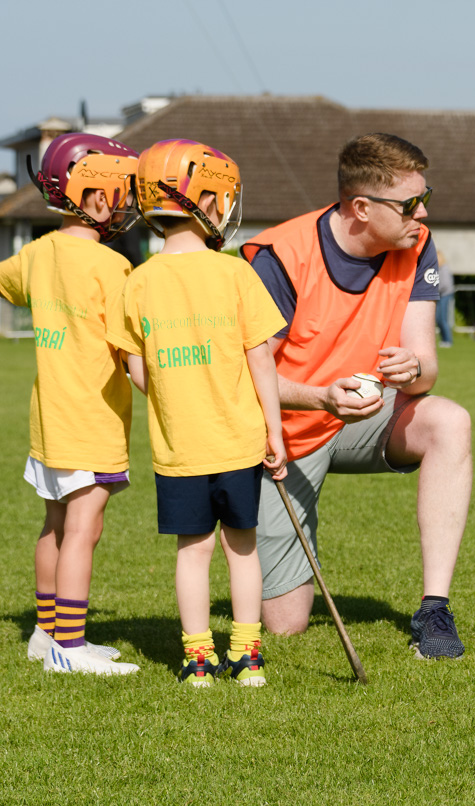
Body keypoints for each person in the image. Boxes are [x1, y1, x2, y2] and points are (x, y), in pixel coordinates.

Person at [241, 133, 472, 658]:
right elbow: (245, 378)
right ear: (361, 207)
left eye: (425, 198)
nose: (422, 213)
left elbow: (425, 371)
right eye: (410, 204)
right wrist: (321, 397)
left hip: (361, 419)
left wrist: (413, 367)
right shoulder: (281, 256)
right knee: (285, 625)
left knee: (449, 421)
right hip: (284, 434)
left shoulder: (416, 243)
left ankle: (434, 610)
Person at [107, 140, 287, 686]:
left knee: (193, 552)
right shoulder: (236, 275)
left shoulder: (134, 283)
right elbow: (263, 363)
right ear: (207, 202)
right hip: (239, 440)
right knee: (242, 550)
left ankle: (197, 660)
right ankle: (249, 657)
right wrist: (275, 432)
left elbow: (140, 377)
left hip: (177, 446)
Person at [0, 133, 142, 676]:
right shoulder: (114, 269)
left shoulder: (34, 253)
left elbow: (8, 284)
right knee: (85, 528)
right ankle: (71, 646)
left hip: (48, 421)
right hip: (91, 420)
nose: (128, 202)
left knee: (54, 526)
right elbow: (131, 352)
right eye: (123, 191)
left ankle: (45, 633)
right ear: (96, 197)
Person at [435, 250, 455, 348]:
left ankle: (448, 340)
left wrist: (435, 289)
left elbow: (445, 285)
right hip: (439, 295)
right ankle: (444, 340)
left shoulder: (444, 269)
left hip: (445, 295)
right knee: (438, 318)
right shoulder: (438, 269)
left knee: (443, 318)